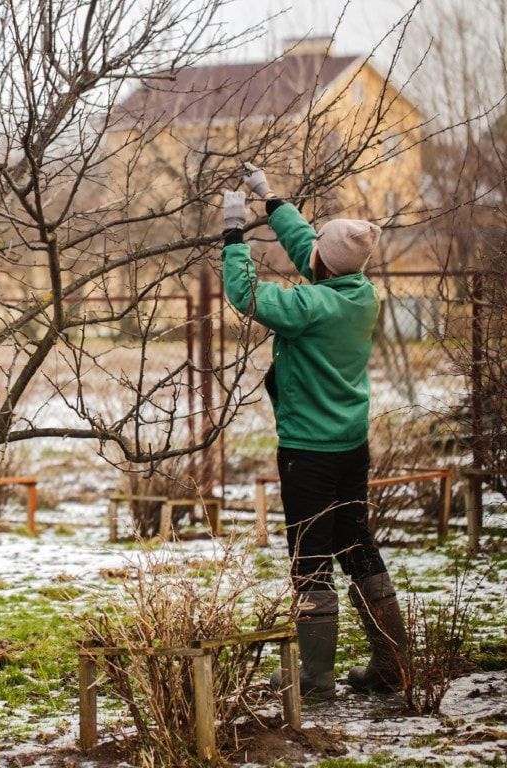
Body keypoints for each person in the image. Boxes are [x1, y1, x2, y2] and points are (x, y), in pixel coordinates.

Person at [220, 163, 408, 701]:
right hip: (351, 445)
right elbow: (313, 249)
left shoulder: (310, 307)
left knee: (309, 556)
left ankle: (314, 677)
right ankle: (391, 665)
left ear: (326, 264)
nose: (312, 257)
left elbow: (247, 294)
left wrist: (234, 233)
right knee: (356, 543)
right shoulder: (359, 294)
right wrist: (270, 200)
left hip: (308, 452)